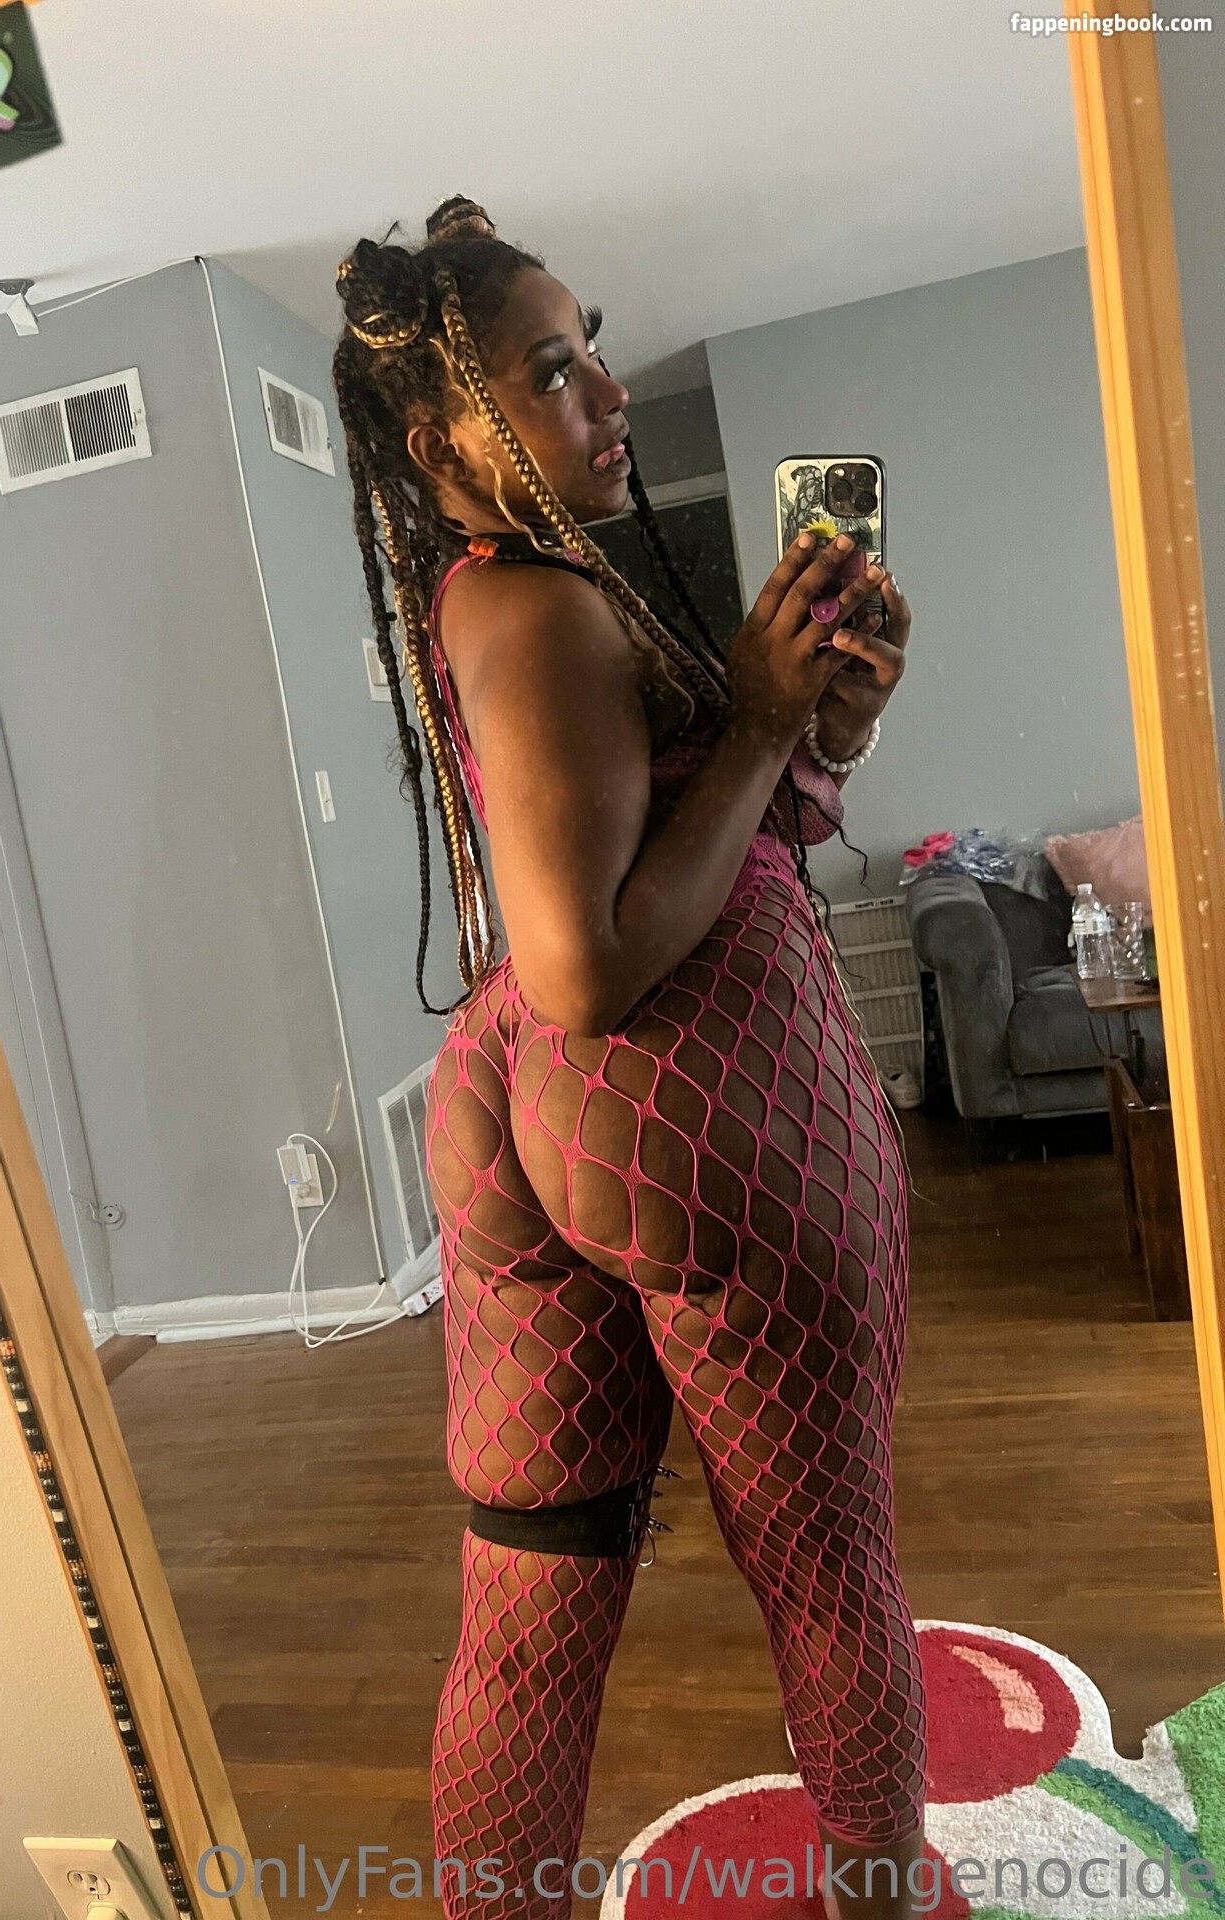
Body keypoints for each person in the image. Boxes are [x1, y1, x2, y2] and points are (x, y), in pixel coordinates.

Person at [333, 196, 923, 1920]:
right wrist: (757, 719)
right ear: (444, 444)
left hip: (515, 1117)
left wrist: (818, 730)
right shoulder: (540, 610)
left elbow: (680, 850)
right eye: (550, 371)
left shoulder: (494, 598)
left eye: (590, 349)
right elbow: (590, 965)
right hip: (700, 1103)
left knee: (528, 1608)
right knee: (829, 1573)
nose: (605, 393)